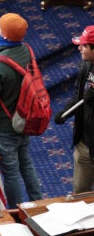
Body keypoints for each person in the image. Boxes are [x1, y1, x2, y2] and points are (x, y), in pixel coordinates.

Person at [0, 13, 43, 209]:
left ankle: (16, 211)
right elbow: (11, 72)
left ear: (3, 34)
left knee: (11, 171)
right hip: (25, 120)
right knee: (26, 163)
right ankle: (38, 202)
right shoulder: (27, 50)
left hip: (5, 128)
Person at [54, 25, 94, 194]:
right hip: (85, 144)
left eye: (84, 45)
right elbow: (79, 96)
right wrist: (66, 112)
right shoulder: (86, 65)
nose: (79, 48)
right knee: (80, 196)